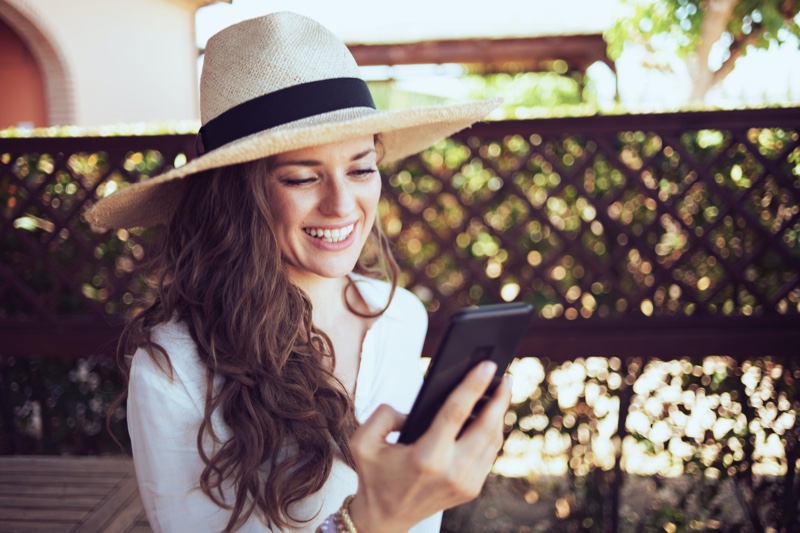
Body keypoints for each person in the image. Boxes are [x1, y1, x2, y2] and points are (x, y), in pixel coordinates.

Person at [87, 12, 510, 533]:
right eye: (302, 177)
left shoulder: (402, 318)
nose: (341, 204)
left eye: (360, 169)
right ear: (239, 199)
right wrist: (366, 524)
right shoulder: (175, 367)